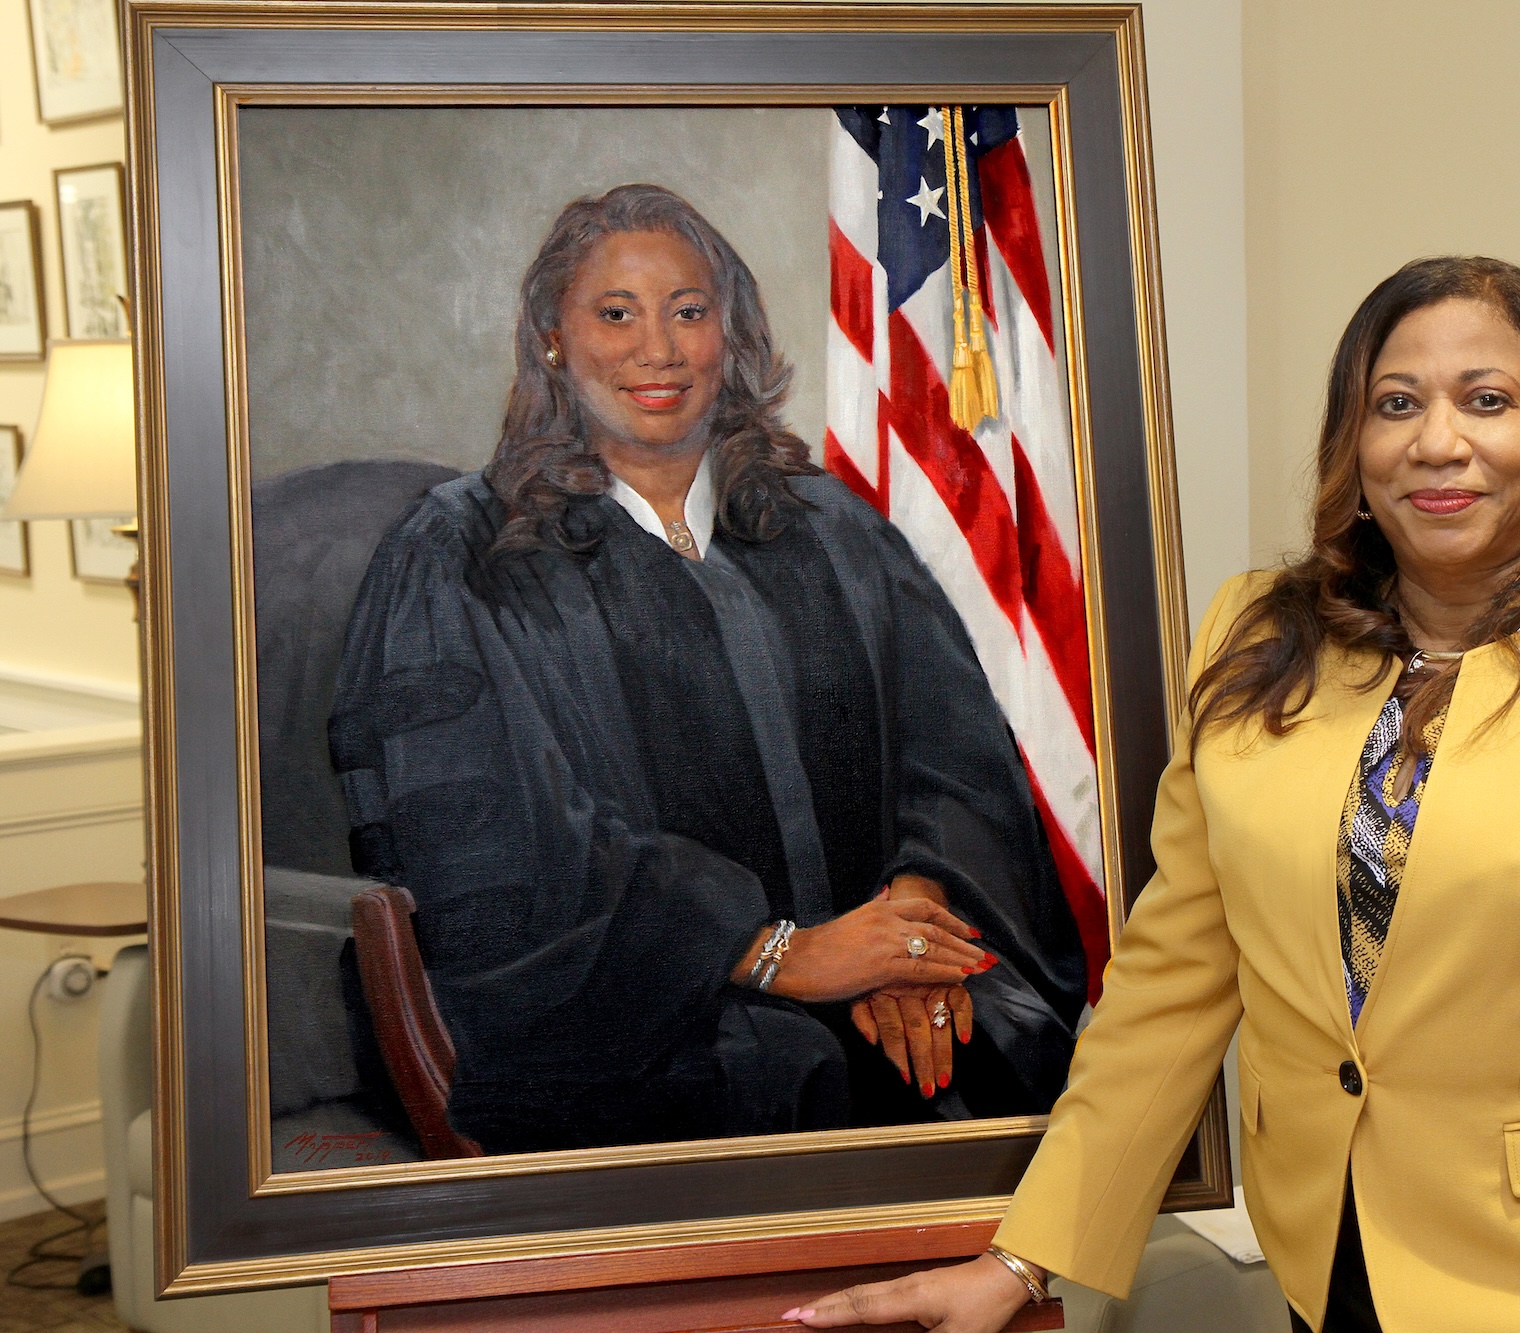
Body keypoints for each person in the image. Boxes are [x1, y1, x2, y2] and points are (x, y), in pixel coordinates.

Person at [787, 257, 1520, 1332]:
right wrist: (1026, 1260)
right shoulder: (1256, 633)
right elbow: (1174, 977)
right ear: (1352, 448)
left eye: (1486, 400)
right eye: (1393, 403)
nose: (1436, 440)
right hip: (1323, 1258)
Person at [329, 184, 1088, 1156]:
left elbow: (955, 758)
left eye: (688, 312)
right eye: (616, 314)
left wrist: (910, 929)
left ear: (729, 335)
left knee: (1009, 1046)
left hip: (877, 981)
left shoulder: (828, 530)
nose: (658, 348)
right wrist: (771, 953)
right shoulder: (467, 554)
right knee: (774, 1077)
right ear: (552, 337)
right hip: (632, 1019)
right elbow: (481, 842)